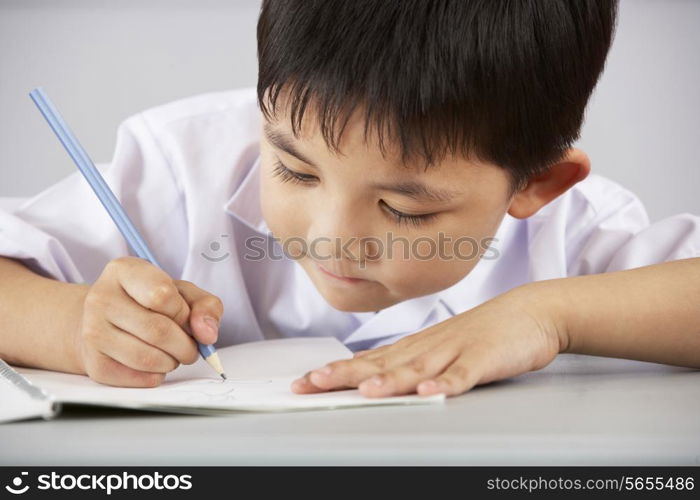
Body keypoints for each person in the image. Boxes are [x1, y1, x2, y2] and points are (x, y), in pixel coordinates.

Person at [0, 0, 698, 397]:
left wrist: (550, 317)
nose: (333, 239)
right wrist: (74, 324)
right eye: (296, 172)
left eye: (407, 210)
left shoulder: (578, 233)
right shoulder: (179, 163)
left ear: (535, 184)